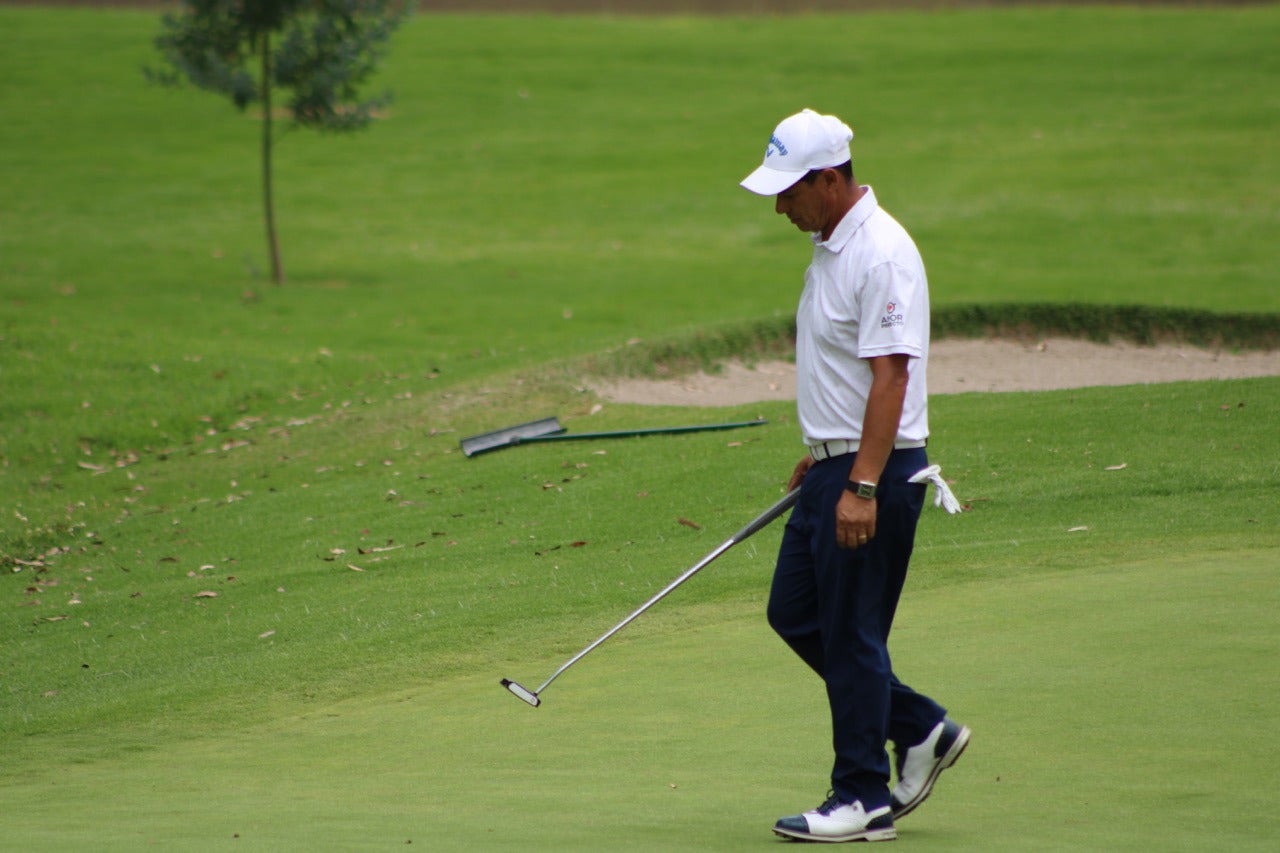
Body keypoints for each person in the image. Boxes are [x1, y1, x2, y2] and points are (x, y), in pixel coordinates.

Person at [739, 108, 970, 843]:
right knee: (795, 613)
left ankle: (863, 795)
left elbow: (893, 378)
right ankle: (922, 726)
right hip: (837, 464)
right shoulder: (831, 242)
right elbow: (847, 368)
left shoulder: (881, 252)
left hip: (876, 473)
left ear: (830, 179)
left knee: (852, 633)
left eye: (789, 190)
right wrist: (829, 453)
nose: (780, 205)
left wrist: (862, 479)